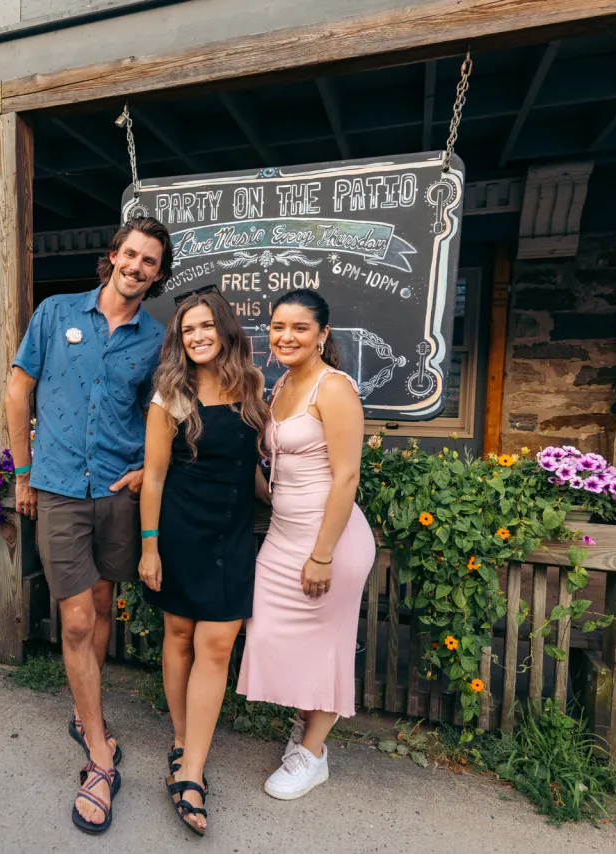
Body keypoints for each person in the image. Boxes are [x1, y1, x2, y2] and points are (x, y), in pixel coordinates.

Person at [5, 217, 172, 834]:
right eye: (131, 254)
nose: (137, 267)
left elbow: (161, 417)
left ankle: (85, 711)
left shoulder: (155, 340)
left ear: (158, 275)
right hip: (58, 488)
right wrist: (22, 472)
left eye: (150, 262)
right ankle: (99, 754)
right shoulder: (55, 313)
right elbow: (18, 392)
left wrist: (143, 473)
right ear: (113, 257)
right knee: (75, 617)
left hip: (115, 491)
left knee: (102, 603)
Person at [137, 286, 268, 835]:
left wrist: (297, 502)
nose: (196, 336)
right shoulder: (170, 395)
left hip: (234, 535)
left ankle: (191, 771)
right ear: (179, 338)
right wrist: (149, 546)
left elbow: (255, 469)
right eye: (187, 329)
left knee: (216, 644)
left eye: (205, 326)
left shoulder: (252, 389)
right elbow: (155, 477)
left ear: (225, 330)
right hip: (181, 533)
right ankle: (182, 740)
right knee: (180, 637)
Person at [236, 289, 376, 801]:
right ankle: (306, 725)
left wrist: (321, 555)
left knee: (326, 648)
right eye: (278, 327)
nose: (286, 336)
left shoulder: (332, 387)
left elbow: (346, 476)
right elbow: (279, 471)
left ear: (321, 334)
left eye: (299, 328)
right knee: (267, 631)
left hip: (330, 541)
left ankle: (312, 754)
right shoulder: (281, 388)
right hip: (282, 536)